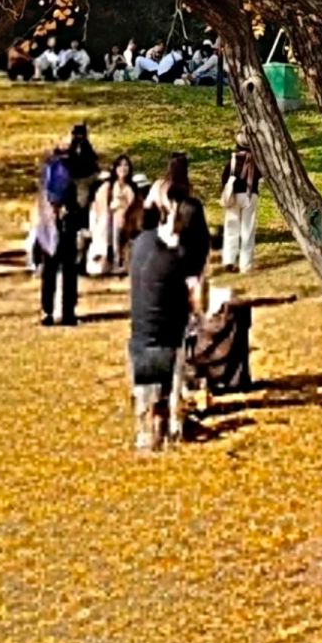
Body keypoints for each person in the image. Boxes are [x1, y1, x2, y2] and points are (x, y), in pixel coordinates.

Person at [126, 201, 191, 451]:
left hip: (140, 336)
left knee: (145, 392)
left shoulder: (137, 251)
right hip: (166, 338)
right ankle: (166, 432)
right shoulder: (173, 259)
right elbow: (185, 301)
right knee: (167, 389)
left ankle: (144, 436)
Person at [151, 153, 212, 312]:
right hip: (188, 253)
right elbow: (201, 236)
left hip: (169, 248)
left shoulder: (160, 188)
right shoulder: (191, 203)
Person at [36, 140, 82, 326]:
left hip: (56, 225)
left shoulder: (52, 170)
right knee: (64, 270)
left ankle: (53, 311)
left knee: (55, 270)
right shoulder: (59, 170)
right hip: (59, 225)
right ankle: (63, 311)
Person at [220, 138, 261, 273]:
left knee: (231, 228)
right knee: (247, 231)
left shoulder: (232, 160)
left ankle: (229, 260)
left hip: (234, 196)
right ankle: (246, 264)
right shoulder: (255, 161)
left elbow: (224, 178)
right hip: (250, 196)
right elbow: (260, 176)